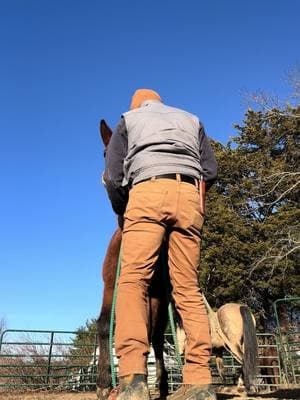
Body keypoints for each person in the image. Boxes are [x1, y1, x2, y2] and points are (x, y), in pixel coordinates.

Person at [104, 89, 218, 400]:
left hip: (147, 192)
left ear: (136, 105)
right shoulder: (192, 119)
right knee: (187, 288)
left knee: (132, 281)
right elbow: (211, 170)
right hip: (190, 197)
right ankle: (199, 381)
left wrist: (121, 206)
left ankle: (132, 378)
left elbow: (114, 175)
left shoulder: (129, 119)